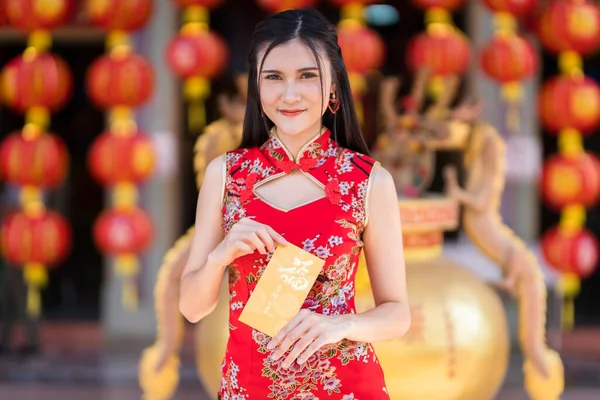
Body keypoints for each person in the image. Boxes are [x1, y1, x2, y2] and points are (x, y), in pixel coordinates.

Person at [179, 8, 410, 399]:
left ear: (333, 86)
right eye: (273, 78)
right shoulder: (226, 176)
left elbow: (397, 313)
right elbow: (191, 308)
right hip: (249, 387)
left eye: (307, 76)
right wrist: (220, 256)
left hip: (346, 387)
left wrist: (340, 326)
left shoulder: (368, 182)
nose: (289, 94)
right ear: (256, 87)